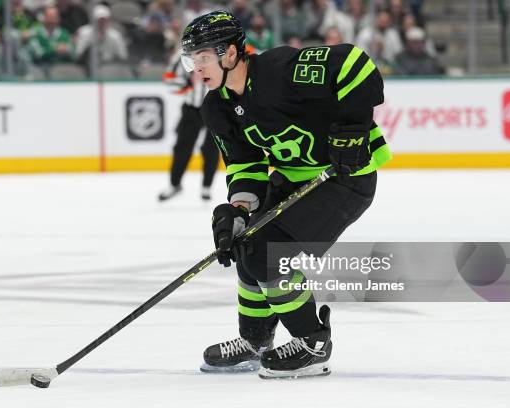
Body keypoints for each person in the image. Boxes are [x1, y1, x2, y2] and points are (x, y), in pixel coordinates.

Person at [180, 11, 391, 378]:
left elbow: (355, 64)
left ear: (229, 54)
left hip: (345, 177)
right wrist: (239, 211)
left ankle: (313, 342)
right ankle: (256, 339)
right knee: (247, 241)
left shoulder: (280, 71)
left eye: (203, 58)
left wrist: (354, 129)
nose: (196, 68)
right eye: (191, 60)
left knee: (268, 252)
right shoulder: (218, 105)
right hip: (295, 177)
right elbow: (245, 165)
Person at [158, 51, 218, 201]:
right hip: (192, 108)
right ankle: (175, 184)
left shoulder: (219, 50)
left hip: (217, 108)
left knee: (211, 148)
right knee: (182, 147)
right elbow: (169, 79)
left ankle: (206, 187)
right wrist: (189, 81)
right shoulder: (182, 55)